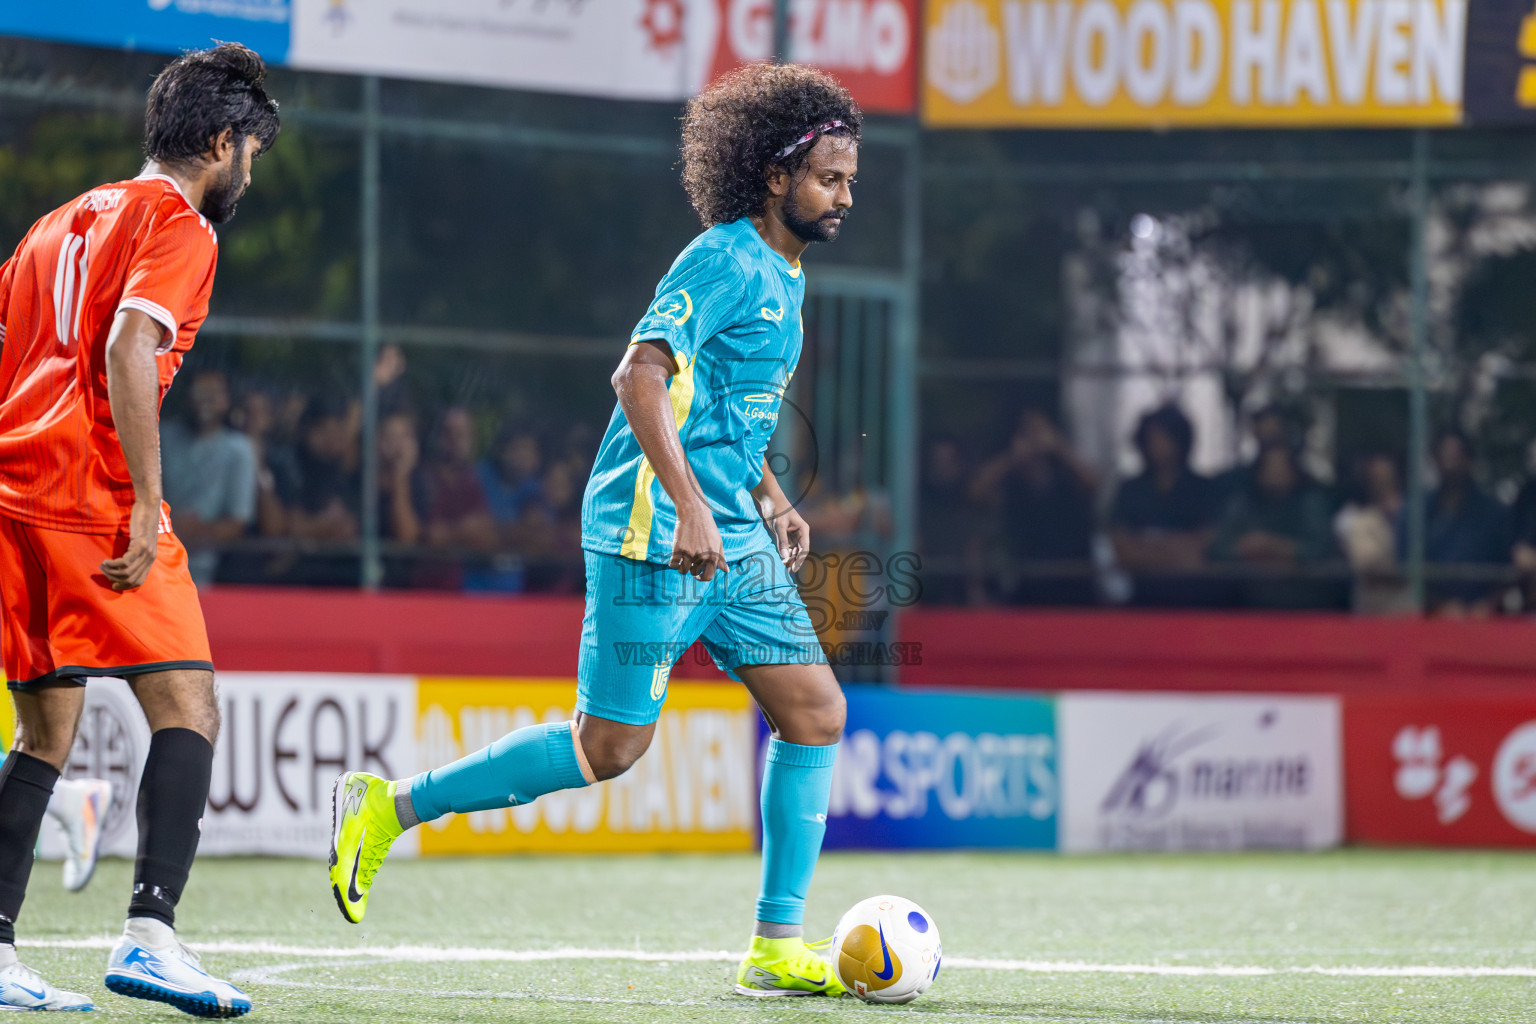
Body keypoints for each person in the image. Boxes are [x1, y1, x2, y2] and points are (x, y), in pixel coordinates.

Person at [329, 64, 858, 998]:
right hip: (655, 526)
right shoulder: (724, 257)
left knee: (815, 713)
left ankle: (777, 946)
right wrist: (694, 502)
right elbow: (638, 377)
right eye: (829, 178)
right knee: (607, 748)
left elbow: (726, 408)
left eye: (851, 180)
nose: (845, 195)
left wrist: (769, 492)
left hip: (729, 528)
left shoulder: (787, 275)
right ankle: (389, 807)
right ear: (775, 178)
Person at [0, 44, 277, 1015]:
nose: (250, 169)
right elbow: (129, 342)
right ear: (219, 141)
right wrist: (148, 495)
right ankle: (151, 935)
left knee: (46, 728)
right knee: (189, 707)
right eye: (250, 149)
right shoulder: (182, 227)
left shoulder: (57, 221)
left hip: (16, 494)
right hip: (93, 495)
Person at [970, 408, 1099, 605]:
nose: (1034, 439)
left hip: (1075, 585)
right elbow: (975, 493)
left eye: (1038, 431)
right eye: (1026, 433)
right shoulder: (1012, 486)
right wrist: (1012, 456)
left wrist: (1059, 446)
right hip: (1028, 585)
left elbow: (1094, 485)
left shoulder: (1067, 480)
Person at [1107, 404, 1223, 607]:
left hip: (1195, 602)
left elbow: (1205, 547)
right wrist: (1174, 552)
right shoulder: (1130, 490)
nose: (1158, 445)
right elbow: (1122, 550)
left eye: (1165, 437)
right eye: (1152, 437)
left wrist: (1149, 547)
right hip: (1142, 602)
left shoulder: (1203, 488)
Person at [1210, 444, 1340, 608]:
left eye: (1281, 467)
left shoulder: (1310, 504)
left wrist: (1279, 548)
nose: (1275, 473)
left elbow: (1322, 549)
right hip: (1245, 596)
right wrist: (1246, 549)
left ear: (1294, 472)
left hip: (1304, 597)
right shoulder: (1241, 504)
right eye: (1269, 466)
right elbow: (1219, 547)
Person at [159, 368, 257, 588]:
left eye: (213, 395)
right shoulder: (162, 436)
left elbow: (237, 524)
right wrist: (167, 528)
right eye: (199, 393)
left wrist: (194, 531)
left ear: (227, 401)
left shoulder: (239, 449)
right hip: (156, 557)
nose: (205, 402)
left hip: (213, 574)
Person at [1410, 430, 1512, 616]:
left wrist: (1487, 605)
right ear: (1435, 459)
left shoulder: (1494, 513)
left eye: (1457, 457)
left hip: (1486, 622)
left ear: (1469, 460)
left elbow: (1508, 570)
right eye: (1445, 457)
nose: (1450, 464)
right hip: (1429, 622)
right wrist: (1439, 606)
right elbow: (1406, 570)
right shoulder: (1417, 514)